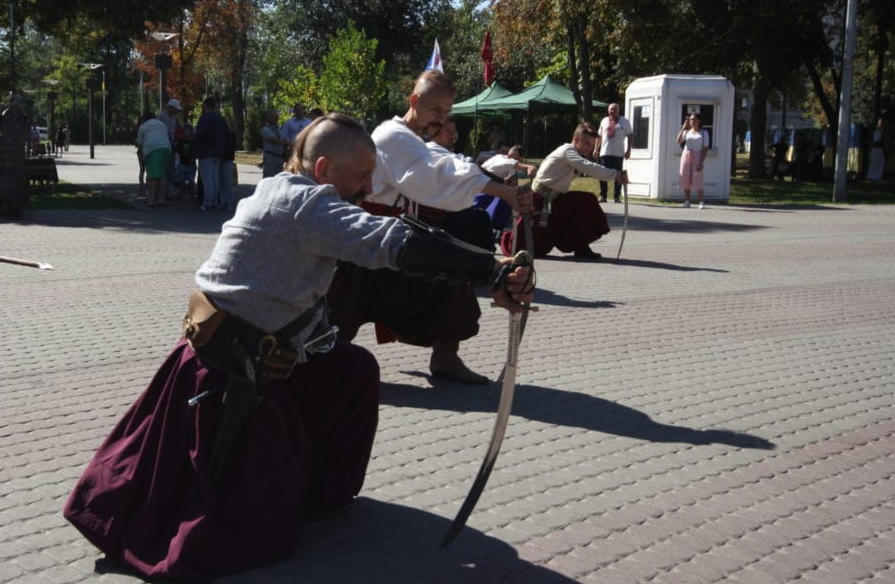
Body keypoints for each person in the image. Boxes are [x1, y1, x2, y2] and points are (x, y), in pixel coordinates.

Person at [62, 113, 533, 584]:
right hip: (233, 372)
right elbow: (389, 240)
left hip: (245, 348)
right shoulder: (307, 206)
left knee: (351, 369)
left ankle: (320, 491)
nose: (370, 187)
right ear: (324, 169)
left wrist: (480, 266)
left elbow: (391, 239)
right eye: (361, 177)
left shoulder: (278, 187)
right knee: (241, 522)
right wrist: (490, 271)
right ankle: (279, 495)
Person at [326, 69, 535, 384]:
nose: (441, 119)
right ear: (414, 101)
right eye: (436, 110)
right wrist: (502, 191)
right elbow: (430, 176)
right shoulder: (390, 135)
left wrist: (508, 191)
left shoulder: (418, 140)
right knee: (341, 309)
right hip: (364, 236)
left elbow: (454, 165)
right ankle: (321, 364)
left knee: (449, 277)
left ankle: (445, 358)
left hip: (398, 235)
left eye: (447, 112)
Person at [503, 122, 627, 260]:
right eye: (586, 143)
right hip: (538, 200)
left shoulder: (575, 154)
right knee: (526, 247)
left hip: (556, 199)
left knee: (585, 201)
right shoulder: (567, 151)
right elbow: (588, 167)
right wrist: (616, 174)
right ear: (576, 139)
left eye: (592, 145)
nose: (589, 148)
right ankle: (500, 237)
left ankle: (581, 246)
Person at [191, 97, 229, 211]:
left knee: (207, 178)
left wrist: (194, 148)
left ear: (206, 106)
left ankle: (207, 202)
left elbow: (199, 134)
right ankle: (214, 201)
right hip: (218, 152)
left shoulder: (205, 118)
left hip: (206, 151)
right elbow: (227, 134)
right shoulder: (221, 119)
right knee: (215, 178)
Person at [596, 102, 632, 203]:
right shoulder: (604, 121)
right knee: (602, 174)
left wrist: (628, 150)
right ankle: (603, 195)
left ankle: (617, 196)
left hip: (618, 153)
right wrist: (596, 149)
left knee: (618, 175)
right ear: (608, 110)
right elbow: (599, 136)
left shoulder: (625, 122)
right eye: (611, 109)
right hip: (605, 152)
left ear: (618, 110)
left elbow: (630, 135)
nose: (613, 111)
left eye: (615, 109)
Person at [137, 112, 172, 207]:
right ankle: (161, 199)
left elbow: (140, 143)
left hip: (151, 149)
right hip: (166, 149)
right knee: (162, 175)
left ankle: (152, 200)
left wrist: (142, 154)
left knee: (152, 176)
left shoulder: (143, 126)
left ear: (144, 119)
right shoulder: (162, 125)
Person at [677, 113, 709, 208]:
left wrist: (701, 161)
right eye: (691, 119)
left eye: (694, 119)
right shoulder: (687, 132)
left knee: (698, 178)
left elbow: (705, 148)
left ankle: (701, 202)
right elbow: (678, 141)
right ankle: (687, 201)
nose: (692, 121)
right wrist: (683, 128)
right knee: (685, 177)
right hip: (686, 154)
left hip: (697, 155)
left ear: (699, 121)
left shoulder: (703, 132)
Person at [260, 109, 290, 178]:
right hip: (270, 157)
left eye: (277, 117)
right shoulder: (265, 129)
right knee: (269, 178)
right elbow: (275, 141)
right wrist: (288, 143)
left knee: (278, 178)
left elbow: (283, 138)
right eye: (274, 117)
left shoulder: (278, 129)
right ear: (268, 118)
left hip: (279, 158)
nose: (276, 119)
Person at [867, 117, 886, 182]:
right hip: (876, 149)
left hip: (879, 150)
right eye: (881, 123)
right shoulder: (877, 132)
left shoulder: (881, 131)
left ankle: (876, 177)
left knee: (880, 163)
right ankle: (872, 177)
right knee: (874, 164)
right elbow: (876, 142)